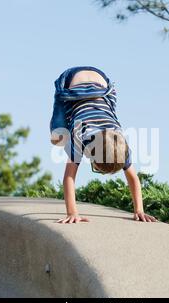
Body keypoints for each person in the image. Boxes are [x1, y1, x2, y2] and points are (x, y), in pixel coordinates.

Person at [50, 66, 157, 224]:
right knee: (58, 139)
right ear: (92, 156)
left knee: (109, 108)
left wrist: (139, 210)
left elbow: (133, 178)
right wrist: (72, 213)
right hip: (70, 85)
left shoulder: (120, 142)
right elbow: (69, 178)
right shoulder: (80, 139)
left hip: (103, 84)